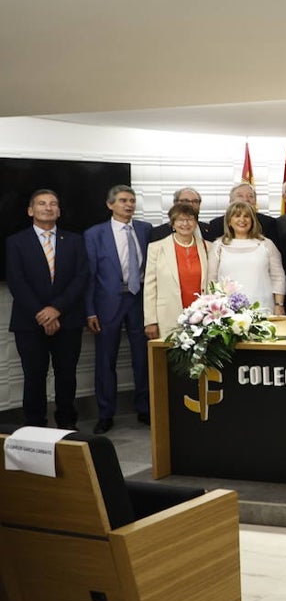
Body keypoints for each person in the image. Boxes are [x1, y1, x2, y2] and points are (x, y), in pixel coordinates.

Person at [6, 189, 88, 429]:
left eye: (53, 204)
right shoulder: (16, 242)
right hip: (29, 322)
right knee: (34, 377)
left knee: (66, 377)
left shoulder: (74, 240)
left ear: (59, 211)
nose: (48, 208)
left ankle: (67, 427)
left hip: (68, 320)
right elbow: (16, 281)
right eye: (42, 204)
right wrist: (42, 314)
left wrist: (56, 309)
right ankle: (35, 427)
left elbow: (81, 278)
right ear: (31, 210)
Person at [83, 185, 152, 433]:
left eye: (132, 201)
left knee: (143, 359)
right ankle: (105, 413)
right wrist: (90, 311)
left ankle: (145, 409)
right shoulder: (94, 234)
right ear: (110, 204)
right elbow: (89, 276)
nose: (129, 205)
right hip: (107, 304)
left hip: (139, 301)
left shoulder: (145, 230)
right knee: (105, 360)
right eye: (123, 200)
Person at [143, 202, 209, 342]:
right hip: (168, 315)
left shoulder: (208, 247)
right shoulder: (156, 248)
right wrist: (150, 321)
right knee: (172, 360)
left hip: (202, 315)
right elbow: (150, 287)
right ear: (172, 224)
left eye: (190, 219)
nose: (185, 223)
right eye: (180, 220)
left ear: (196, 223)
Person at [207, 201, 286, 315]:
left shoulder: (266, 244)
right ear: (229, 221)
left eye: (246, 216)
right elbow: (212, 280)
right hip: (228, 310)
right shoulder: (218, 246)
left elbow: (278, 277)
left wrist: (279, 305)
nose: (242, 220)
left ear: (252, 220)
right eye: (237, 216)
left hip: (263, 308)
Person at [207, 182, 281, 248]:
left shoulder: (269, 223)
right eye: (240, 196)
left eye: (250, 196)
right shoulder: (216, 224)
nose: (246, 199)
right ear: (231, 200)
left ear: (255, 201)